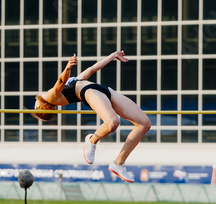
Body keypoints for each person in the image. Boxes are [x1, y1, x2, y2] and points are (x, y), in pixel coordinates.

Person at [33, 51, 151, 183]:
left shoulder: (68, 85)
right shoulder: (50, 98)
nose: (35, 103)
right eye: (35, 106)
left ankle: (118, 163)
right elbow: (60, 81)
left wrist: (112, 56)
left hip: (104, 91)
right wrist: (67, 68)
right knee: (112, 122)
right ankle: (92, 140)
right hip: (90, 92)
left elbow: (91, 69)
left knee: (144, 124)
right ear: (42, 107)